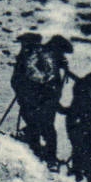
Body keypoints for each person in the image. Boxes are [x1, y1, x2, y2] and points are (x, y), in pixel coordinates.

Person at [11, 33, 71, 165]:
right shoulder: (47, 58)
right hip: (38, 99)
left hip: (33, 99)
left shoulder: (42, 56)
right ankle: (47, 157)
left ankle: (38, 152)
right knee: (46, 128)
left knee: (39, 126)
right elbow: (45, 81)